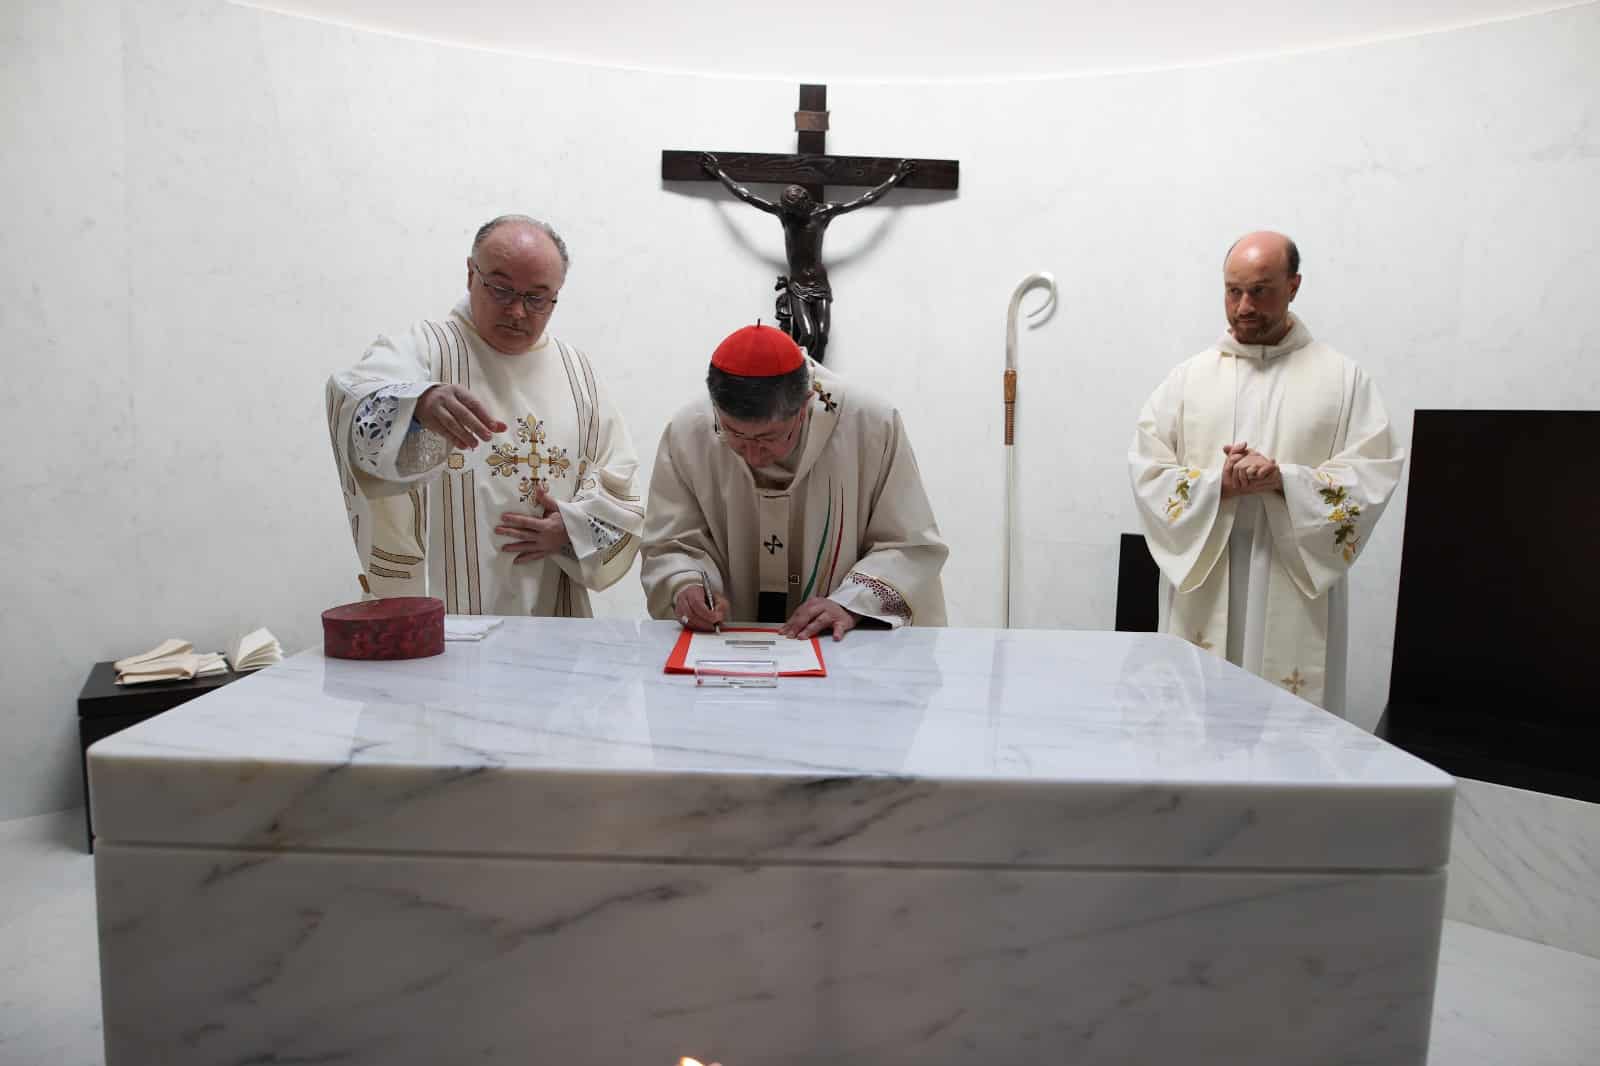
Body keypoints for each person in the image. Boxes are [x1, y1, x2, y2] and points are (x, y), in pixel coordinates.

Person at [1128, 232, 1404, 714]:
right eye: (1233, 291)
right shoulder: (1188, 379)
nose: (1244, 307)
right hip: (1209, 572)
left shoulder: (1342, 380)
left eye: (1261, 290)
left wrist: (1286, 480)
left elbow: (1372, 470)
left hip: (1291, 573)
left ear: (1294, 285)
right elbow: (1148, 469)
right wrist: (1220, 484)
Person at [325, 215, 643, 616]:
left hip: (551, 611)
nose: (517, 311)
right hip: (442, 609)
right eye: (501, 289)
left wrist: (572, 531)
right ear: (471, 274)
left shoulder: (577, 373)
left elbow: (621, 486)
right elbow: (353, 397)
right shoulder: (424, 349)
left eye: (537, 298)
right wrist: (418, 403)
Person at [641, 323, 947, 640]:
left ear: (804, 406)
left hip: (838, 645)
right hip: (729, 648)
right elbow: (670, 542)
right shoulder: (688, 431)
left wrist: (851, 603)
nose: (753, 455)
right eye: (734, 434)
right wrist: (685, 584)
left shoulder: (870, 425)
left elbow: (909, 546)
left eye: (767, 438)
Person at [699, 153, 915, 362]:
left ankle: (816, 379)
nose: (795, 211)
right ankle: (798, 375)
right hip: (798, 285)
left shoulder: (823, 213)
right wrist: (719, 172)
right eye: (791, 207)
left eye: (798, 205)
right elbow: (747, 196)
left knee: (822, 336)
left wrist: (896, 177)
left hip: (820, 283)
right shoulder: (785, 215)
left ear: (805, 200)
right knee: (808, 335)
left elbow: (866, 199)